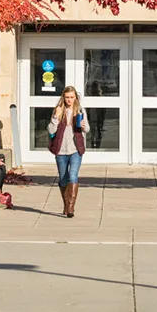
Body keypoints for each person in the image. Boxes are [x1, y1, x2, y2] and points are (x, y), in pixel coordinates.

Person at [48, 86, 88, 218]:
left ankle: (71, 207)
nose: (69, 100)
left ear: (75, 97)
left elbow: (87, 129)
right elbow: (51, 130)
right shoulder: (59, 110)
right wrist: (56, 117)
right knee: (64, 179)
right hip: (61, 150)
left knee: (73, 176)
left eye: (72, 97)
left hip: (75, 149)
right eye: (67, 97)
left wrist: (83, 126)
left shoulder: (80, 110)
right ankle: (66, 204)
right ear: (63, 97)